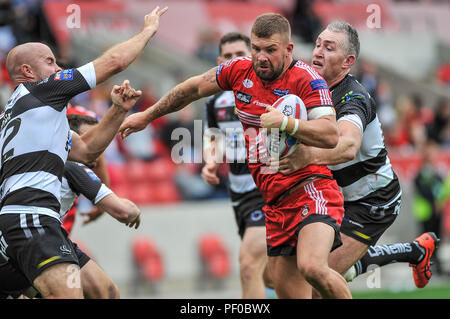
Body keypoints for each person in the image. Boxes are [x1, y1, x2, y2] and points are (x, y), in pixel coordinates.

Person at [120, 13, 351, 299]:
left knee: (312, 267)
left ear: (289, 49)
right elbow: (192, 88)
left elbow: (330, 135)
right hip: (273, 202)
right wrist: (146, 114)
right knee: (288, 293)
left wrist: (286, 123)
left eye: (270, 50)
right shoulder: (239, 72)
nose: (260, 57)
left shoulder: (307, 79)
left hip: (310, 188)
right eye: (256, 48)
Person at [0, 6, 167, 299]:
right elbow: (113, 62)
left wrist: (117, 111)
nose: (59, 69)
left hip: (32, 219)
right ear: (27, 71)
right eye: (50, 62)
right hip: (32, 216)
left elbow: (88, 150)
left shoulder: (31, 114)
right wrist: (148, 31)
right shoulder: (39, 91)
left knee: (104, 292)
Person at [276, 21, 439, 291]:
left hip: (372, 203)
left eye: (329, 48)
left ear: (348, 61)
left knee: (316, 282)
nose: (318, 52)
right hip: (334, 196)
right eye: (318, 44)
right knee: (291, 274)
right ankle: (412, 251)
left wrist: (305, 156)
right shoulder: (306, 88)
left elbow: (347, 146)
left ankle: (404, 252)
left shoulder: (354, 98)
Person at [0, 114, 141, 299]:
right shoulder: (72, 167)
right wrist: (135, 211)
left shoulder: (31, 162)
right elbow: (124, 211)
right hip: (29, 238)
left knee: (107, 291)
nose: (95, 145)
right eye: (89, 139)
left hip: (43, 238)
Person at [201, 32, 270, 298]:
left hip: (267, 191)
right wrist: (210, 162)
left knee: (248, 265)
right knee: (272, 275)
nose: (233, 61)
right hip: (239, 193)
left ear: (251, 56)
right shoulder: (214, 102)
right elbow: (212, 137)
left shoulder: (266, 92)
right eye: (227, 57)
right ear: (220, 62)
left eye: (239, 55)